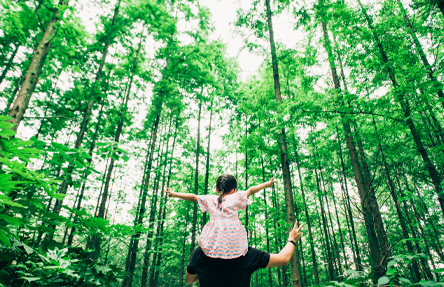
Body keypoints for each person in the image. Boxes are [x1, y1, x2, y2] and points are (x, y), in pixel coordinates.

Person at [164, 174, 277, 259]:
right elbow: (251, 190)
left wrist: (174, 194)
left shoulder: (210, 199)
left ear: (217, 190)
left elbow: (194, 197)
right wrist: (266, 184)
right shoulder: (236, 196)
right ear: (234, 190)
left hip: (214, 238)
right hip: (234, 238)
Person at [185, 221, 304, 287]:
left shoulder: (201, 252)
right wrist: (292, 239)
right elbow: (283, 258)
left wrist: (210, 276)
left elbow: (189, 279)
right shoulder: (247, 254)